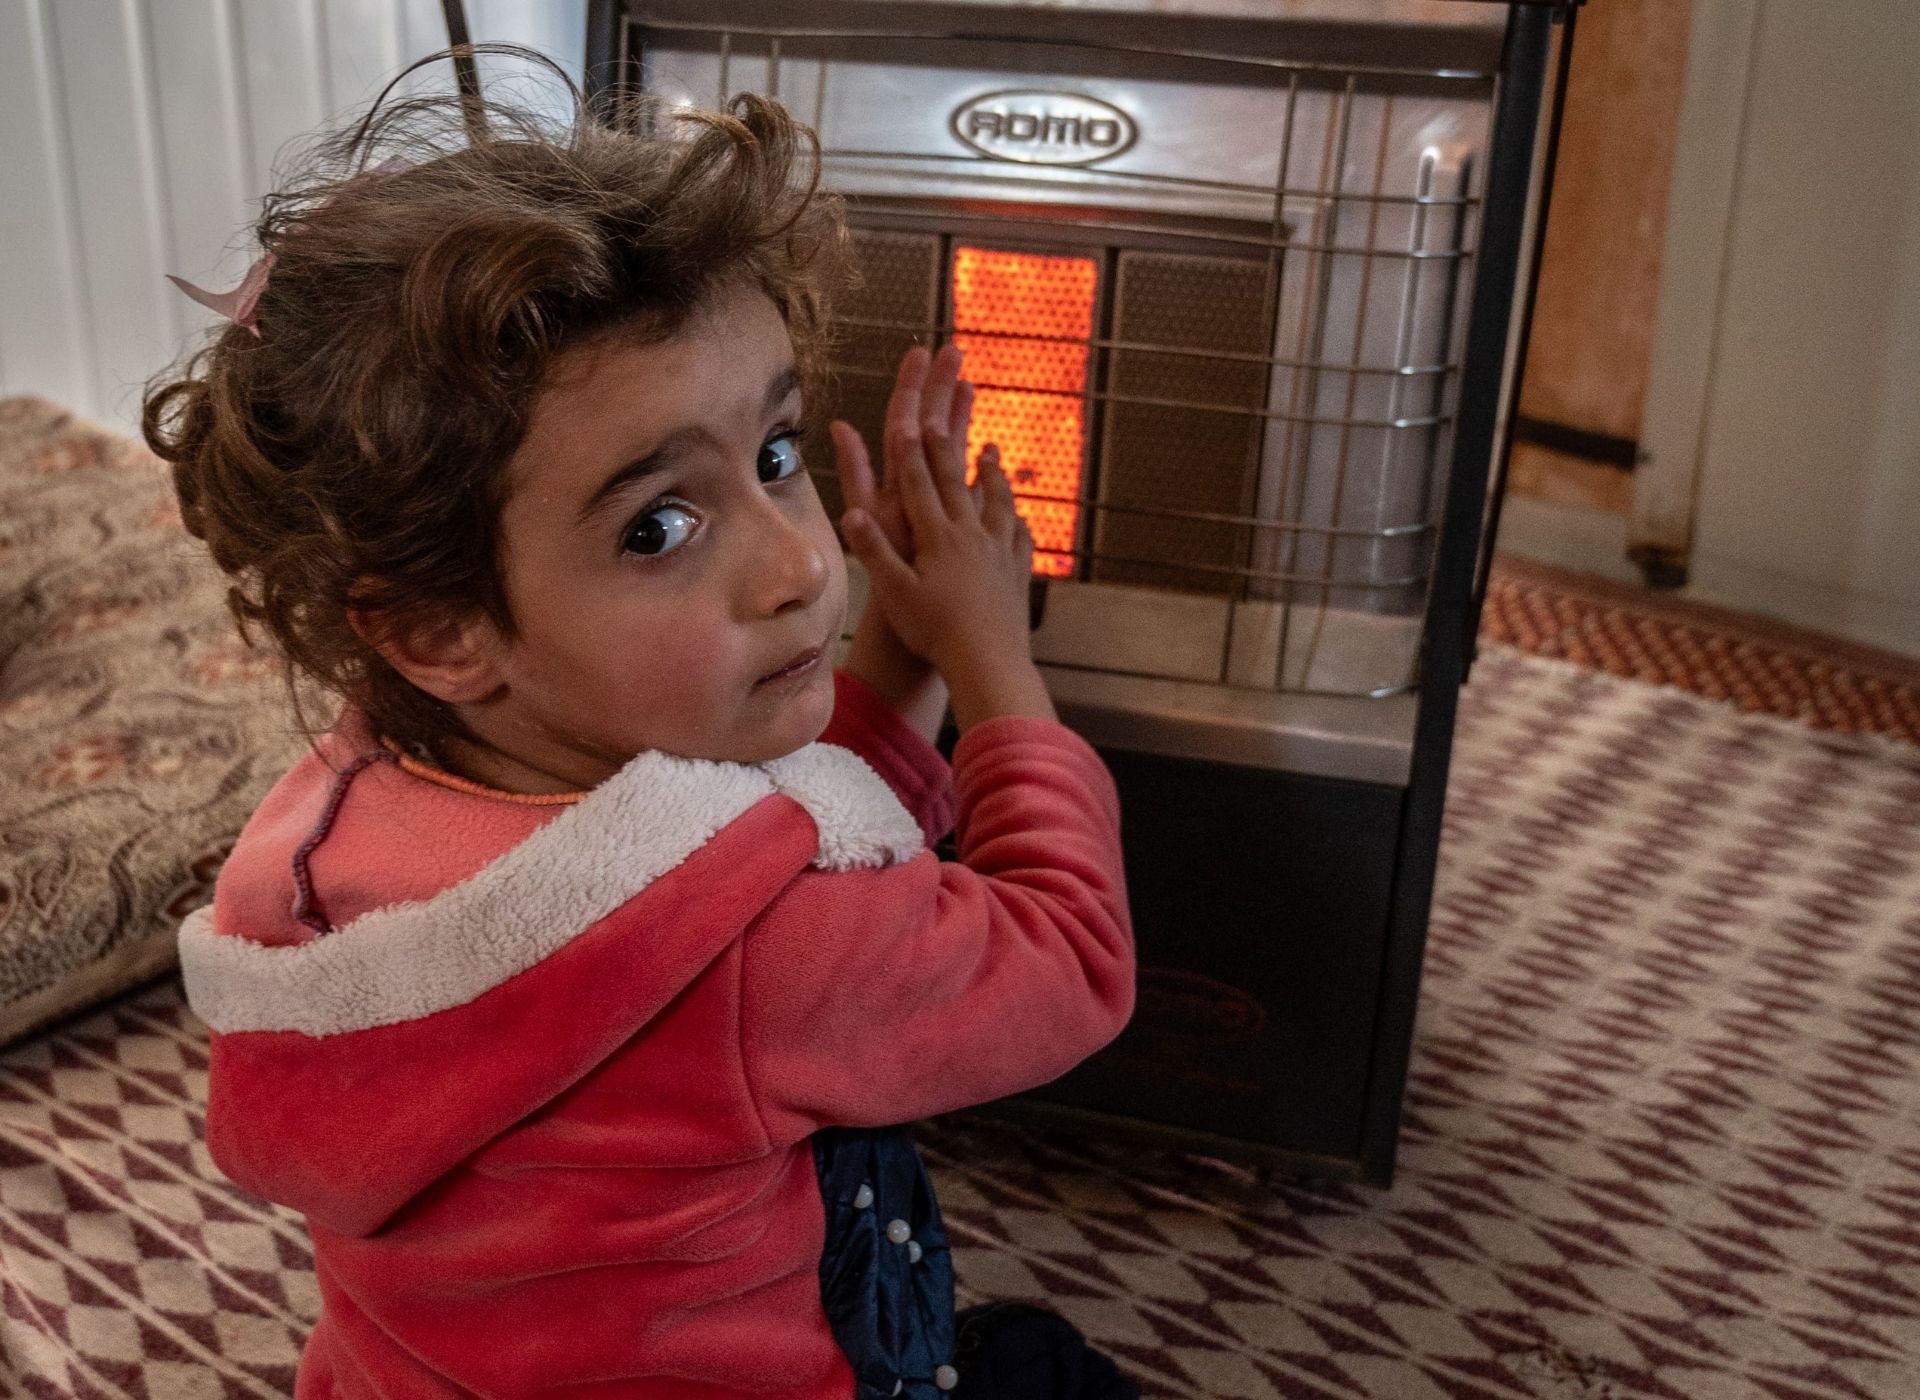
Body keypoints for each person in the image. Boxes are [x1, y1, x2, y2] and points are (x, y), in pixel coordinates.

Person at [143, 46, 1138, 1400]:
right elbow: (1068, 963)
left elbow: (748, 835)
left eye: (778, 455)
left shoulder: (338, 832)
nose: (798, 565)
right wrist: (990, 654)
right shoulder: (760, 953)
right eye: (659, 526)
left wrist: (895, 659)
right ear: (438, 629)